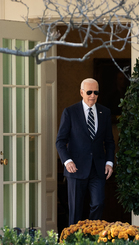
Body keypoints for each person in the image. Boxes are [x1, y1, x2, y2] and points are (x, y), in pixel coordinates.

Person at [56, 78, 115, 225]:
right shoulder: (70, 112)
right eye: (89, 92)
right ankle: (73, 244)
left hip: (98, 168)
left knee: (98, 204)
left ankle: (93, 238)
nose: (93, 95)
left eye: (96, 92)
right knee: (75, 210)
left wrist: (109, 162)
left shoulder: (105, 112)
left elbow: (109, 141)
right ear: (81, 92)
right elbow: (60, 141)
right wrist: (67, 161)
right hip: (76, 168)